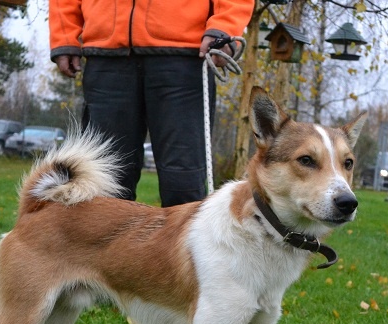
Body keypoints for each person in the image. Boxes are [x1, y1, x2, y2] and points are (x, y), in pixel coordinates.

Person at [49, 0, 254, 207]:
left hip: (184, 59)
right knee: (104, 187)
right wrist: (64, 36)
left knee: (184, 184)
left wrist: (224, 27)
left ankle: (185, 229)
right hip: (105, 57)